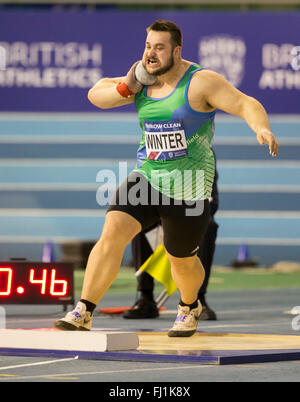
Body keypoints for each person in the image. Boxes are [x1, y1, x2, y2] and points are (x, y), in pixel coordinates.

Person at [54, 19, 278, 337]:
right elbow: (97, 95)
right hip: (148, 178)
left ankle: (189, 307)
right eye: (147, 47)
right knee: (113, 230)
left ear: (176, 51)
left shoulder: (200, 82)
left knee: (181, 260)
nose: (151, 54)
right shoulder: (142, 81)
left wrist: (261, 128)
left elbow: (245, 103)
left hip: (190, 186)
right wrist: (127, 87)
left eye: (159, 47)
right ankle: (84, 310)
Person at [123, 164, 219, 320]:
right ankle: (145, 297)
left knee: (209, 226)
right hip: (160, 217)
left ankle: (198, 299)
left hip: (187, 218)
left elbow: (210, 203)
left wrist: (175, 225)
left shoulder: (202, 153)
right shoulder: (155, 153)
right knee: (137, 223)